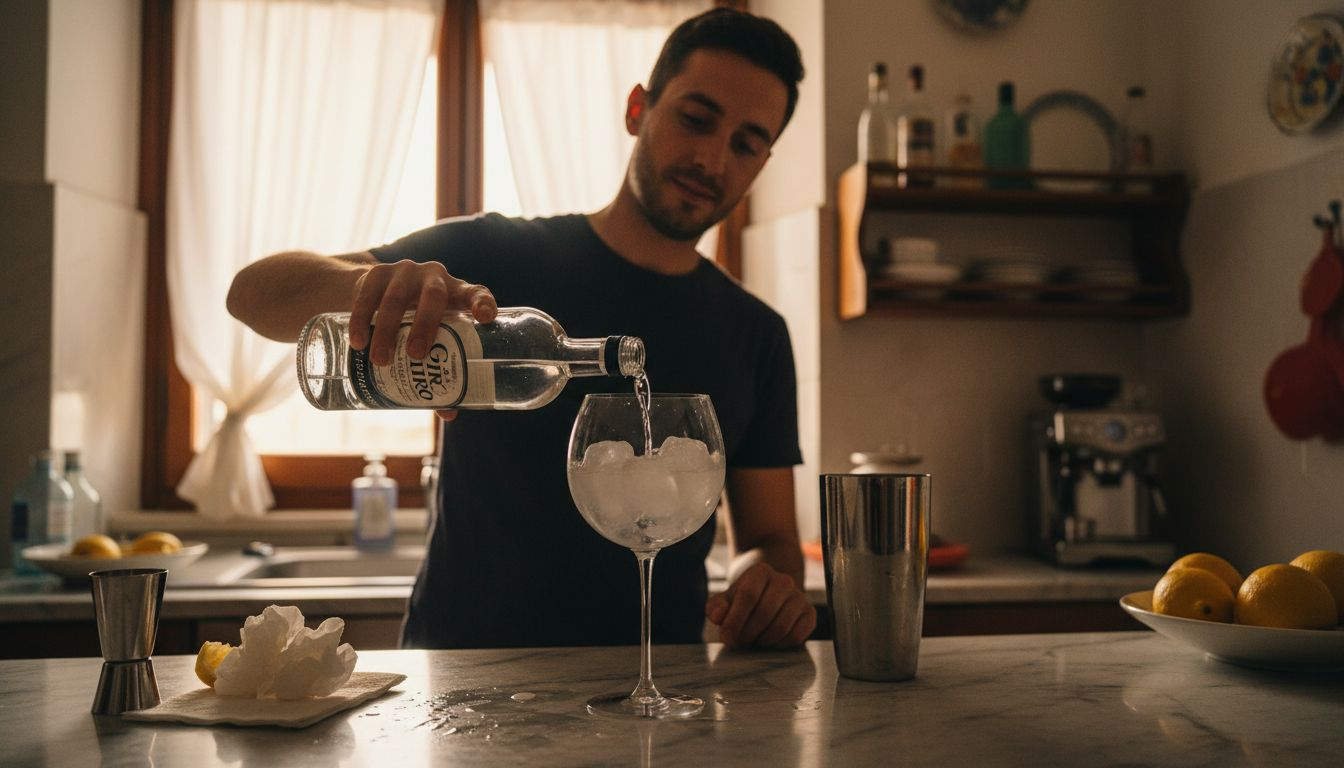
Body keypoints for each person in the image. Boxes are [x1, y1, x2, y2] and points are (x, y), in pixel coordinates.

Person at [227, 8, 814, 650]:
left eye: (746, 143)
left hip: (659, 689)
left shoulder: (757, 333)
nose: (711, 157)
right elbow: (252, 294)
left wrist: (769, 586)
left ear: (762, 163)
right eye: (696, 119)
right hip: (463, 689)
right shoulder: (493, 260)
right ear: (638, 110)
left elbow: (768, 539)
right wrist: (367, 287)